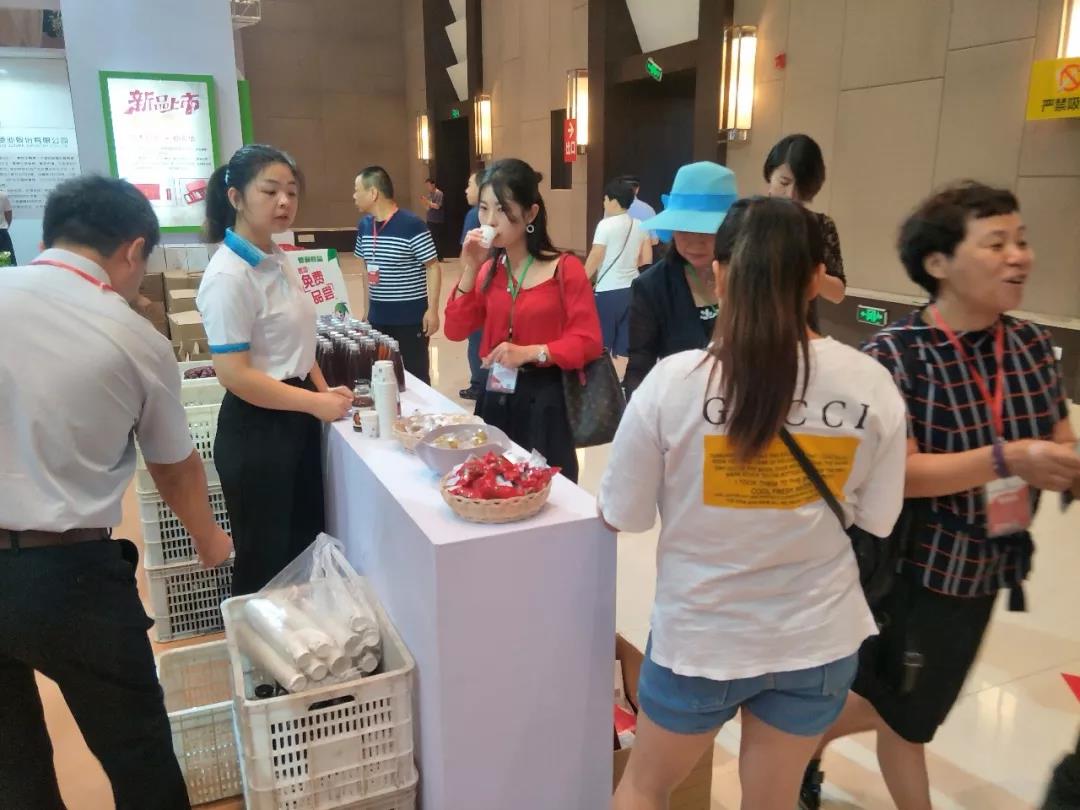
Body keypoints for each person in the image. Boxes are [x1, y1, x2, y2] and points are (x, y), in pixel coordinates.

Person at [601, 197, 908, 810]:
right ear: (815, 278)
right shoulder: (869, 383)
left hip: (702, 636)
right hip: (815, 638)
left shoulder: (674, 383)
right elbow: (878, 518)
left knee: (646, 786)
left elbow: (623, 514)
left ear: (718, 275)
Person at [802, 182, 1080, 810]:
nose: (1019, 257)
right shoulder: (896, 355)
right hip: (911, 571)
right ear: (938, 263)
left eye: (1022, 241)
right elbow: (898, 474)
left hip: (987, 568)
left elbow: (1059, 440)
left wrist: (1062, 464)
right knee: (908, 714)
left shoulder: (1031, 345)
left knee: (902, 702)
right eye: (996, 244)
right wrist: (1009, 459)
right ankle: (795, 755)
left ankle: (799, 749)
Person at [0, 175, 233, 808]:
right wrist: (209, 539)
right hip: (68, 576)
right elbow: (174, 466)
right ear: (133, 251)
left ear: (49, 238)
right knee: (137, 753)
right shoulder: (132, 336)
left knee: (12, 765)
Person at [197, 145, 352, 596]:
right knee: (266, 563)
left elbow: (298, 342)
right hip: (258, 429)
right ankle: (257, 642)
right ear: (236, 197)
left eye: (291, 192)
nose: (284, 202)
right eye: (270, 191)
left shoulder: (277, 256)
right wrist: (314, 403)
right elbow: (235, 375)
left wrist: (324, 389)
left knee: (303, 548)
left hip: (296, 415)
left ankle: (302, 638)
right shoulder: (229, 276)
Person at [444, 158, 602, 483]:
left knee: (546, 490)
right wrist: (470, 268)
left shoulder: (564, 269)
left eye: (502, 209)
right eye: (484, 209)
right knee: (493, 486)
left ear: (530, 214)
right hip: (496, 394)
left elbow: (588, 341)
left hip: (546, 400)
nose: (490, 220)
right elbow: (455, 329)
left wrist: (532, 352)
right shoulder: (489, 271)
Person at [624, 161, 738, 398]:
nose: (695, 242)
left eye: (707, 230)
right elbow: (640, 366)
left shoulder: (752, 280)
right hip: (681, 408)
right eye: (684, 229)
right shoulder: (653, 286)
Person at [353, 166, 442, 385]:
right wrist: (367, 310)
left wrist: (432, 310)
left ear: (373, 193)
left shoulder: (412, 225)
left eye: (357, 190)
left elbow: (433, 267)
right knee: (382, 377)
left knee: (416, 377)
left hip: (410, 318)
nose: (354, 196)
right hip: (378, 318)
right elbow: (366, 269)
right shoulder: (364, 226)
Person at [763, 134, 846, 325]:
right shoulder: (747, 218)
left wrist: (809, 271)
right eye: (784, 182)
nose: (791, 194)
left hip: (801, 328)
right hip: (751, 326)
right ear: (770, 174)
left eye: (801, 187)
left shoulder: (819, 225)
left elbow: (838, 294)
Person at [584, 177, 652, 358]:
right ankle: (620, 376)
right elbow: (646, 259)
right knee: (624, 348)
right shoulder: (640, 225)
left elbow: (596, 255)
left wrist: (580, 281)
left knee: (602, 346)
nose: (604, 203)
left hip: (608, 291)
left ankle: (604, 377)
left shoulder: (605, 225)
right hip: (632, 290)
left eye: (605, 199)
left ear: (613, 201)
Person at [460, 170, 486, 400]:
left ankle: (479, 384)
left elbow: (465, 259)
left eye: (470, 184)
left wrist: (464, 286)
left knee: (476, 338)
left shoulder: (474, 214)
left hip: (478, 288)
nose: (466, 190)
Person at [621, 174, 659, 246]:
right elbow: (655, 240)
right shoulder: (649, 209)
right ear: (637, 189)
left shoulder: (611, 208)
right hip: (642, 252)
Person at [421, 176, 446, 256]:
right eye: (426, 186)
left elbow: (437, 206)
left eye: (428, 185)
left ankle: (440, 256)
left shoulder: (439, 193)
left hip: (437, 220)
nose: (428, 188)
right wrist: (424, 203)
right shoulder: (429, 195)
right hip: (430, 219)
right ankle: (433, 255)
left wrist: (428, 202)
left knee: (437, 239)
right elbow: (428, 208)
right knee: (431, 239)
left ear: (433, 185)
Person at [0, 187, 15, 265]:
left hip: (2, 234)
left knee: (5, 263)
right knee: (5, 265)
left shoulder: (2, 195)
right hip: (2, 233)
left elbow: (8, 214)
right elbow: (9, 215)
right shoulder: (3, 195)